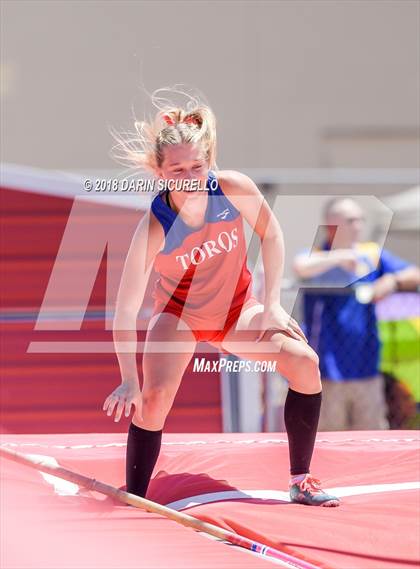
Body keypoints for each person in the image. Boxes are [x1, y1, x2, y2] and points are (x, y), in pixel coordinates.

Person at [103, 87, 340, 507]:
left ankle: (301, 480)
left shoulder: (232, 188)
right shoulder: (155, 225)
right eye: (177, 170)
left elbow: (273, 234)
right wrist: (127, 379)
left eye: (198, 165)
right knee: (153, 399)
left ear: (210, 162)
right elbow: (124, 307)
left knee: (305, 363)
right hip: (179, 317)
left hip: (237, 310)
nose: (190, 176)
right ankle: (136, 497)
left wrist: (271, 305)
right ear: (160, 173)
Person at [293, 197, 420, 431]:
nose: (359, 225)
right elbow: (299, 265)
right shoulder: (319, 255)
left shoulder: (370, 254)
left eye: (360, 219)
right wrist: (341, 258)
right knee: (328, 442)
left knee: (371, 441)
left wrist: (392, 280)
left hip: (367, 367)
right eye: (351, 220)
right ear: (332, 226)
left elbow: (414, 273)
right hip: (327, 371)